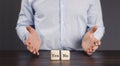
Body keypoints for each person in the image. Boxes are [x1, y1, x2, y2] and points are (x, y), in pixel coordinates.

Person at [16, 0, 105, 55]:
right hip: (41, 56)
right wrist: (28, 37)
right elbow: (23, 25)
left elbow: (97, 27)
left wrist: (92, 39)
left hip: (79, 57)